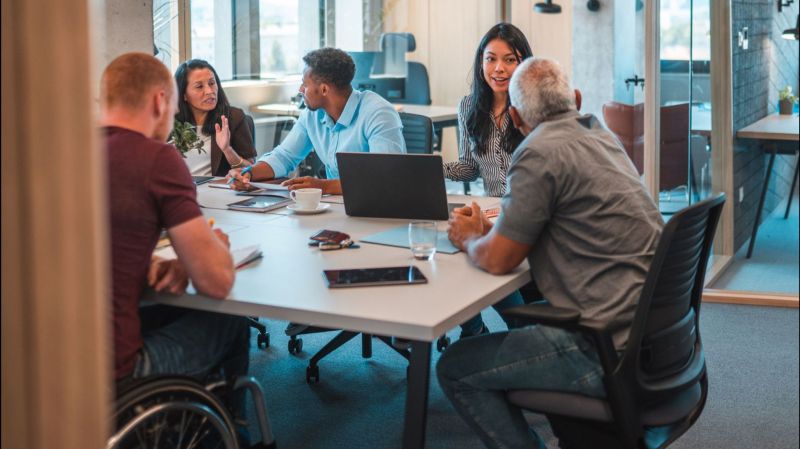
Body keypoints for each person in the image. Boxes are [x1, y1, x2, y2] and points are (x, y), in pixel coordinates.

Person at [437, 58, 663, 448]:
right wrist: (495, 232)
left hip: (602, 347)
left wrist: (470, 238)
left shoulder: (537, 152)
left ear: (515, 117)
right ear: (575, 98)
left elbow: (497, 260)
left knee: (455, 366)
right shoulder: (601, 135)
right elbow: (561, 224)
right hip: (656, 339)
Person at [101, 53, 249, 417]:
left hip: (46, 368)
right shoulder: (155, 157)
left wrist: (147, 261)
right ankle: (236, 431)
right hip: (115, 374)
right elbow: (216, 282)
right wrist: (215, 247)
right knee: (231, 318)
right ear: (160, 101)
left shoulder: (64, 155)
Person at [444, 23, 534, 339]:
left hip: (525, 209)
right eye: (491, 58)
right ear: (480, 62)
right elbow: (470, 167)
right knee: (452, 239)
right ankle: (473, 328)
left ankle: (521, 327)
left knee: (470, 248)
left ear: (524, 63)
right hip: (490, 209)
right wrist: (436, 170)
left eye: (510, 59)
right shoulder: (469, 107)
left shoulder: (532, 108)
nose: (498, 68)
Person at [227, 47, 406, 194]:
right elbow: (284, 157)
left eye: (305, 84)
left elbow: (385, 178)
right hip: (337, 206)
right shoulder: (313, 115)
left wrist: (324, 186)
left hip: (379, 208)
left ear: (324, 90)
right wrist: (248, 174)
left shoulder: (378, 113)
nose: (300, 89)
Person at [174, 59, 256, 176]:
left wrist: (227, 150)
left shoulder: (233, 118)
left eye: (212, 83)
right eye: (199, 86)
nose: (209, 91)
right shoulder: (170, 122)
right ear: (184, 95)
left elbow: (252, 170)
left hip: (215, 191)